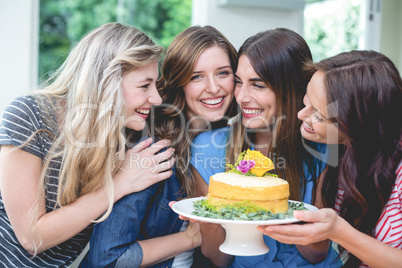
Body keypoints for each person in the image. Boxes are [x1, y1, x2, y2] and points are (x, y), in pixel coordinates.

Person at [0, 22, 176, 267]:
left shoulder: (124, 137)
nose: (155, 98)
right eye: (144, 85)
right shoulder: (29, 115)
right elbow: (32, 237)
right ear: (107, 83)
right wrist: (117, 184)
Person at [84, 25, 238, 268]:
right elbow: (108, 258)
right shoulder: (152, 147)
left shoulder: (228, 143)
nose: (214, 87)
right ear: (179, 82)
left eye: (223, 73)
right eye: (196, 76)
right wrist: (191, 237)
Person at [189, 28, 342, 267]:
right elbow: (218, 258)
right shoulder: (207, 149)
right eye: (239, 82)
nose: (241, 97)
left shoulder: (322, 149)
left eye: (258, 85)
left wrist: (276, 203)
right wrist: (209, 222)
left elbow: (316, 254)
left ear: (292, 88)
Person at [258, 50, 402, 267]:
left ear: (356, 121)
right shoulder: (340, 154)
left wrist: (339, 231)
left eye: (318, 113)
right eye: (306, 100)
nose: (301, 115)